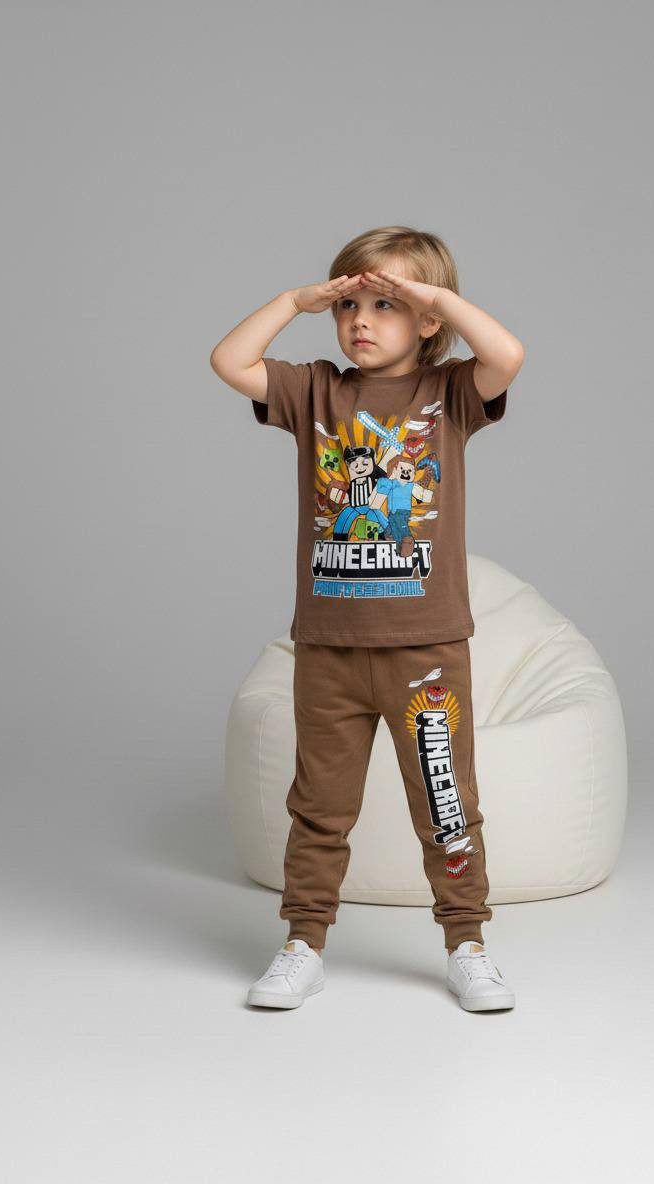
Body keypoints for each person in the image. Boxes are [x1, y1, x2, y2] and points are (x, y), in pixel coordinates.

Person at [210, 226, 525, 1012]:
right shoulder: (315, 390)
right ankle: (302, 943)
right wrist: (295, 301)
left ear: (427, 319)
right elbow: (230, 361)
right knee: (318, 807)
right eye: (349, 305)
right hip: (329, 648)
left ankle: (467, 944)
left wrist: (434, 296)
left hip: (427, 651)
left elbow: (507, 355)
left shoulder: (450, 394)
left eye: (386, 305)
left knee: (446, 803)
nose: (361, 319)